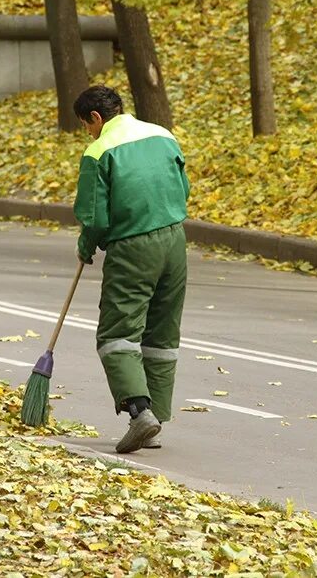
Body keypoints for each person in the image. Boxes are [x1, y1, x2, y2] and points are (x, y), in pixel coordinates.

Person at [72, 85, 190, 453]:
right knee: (162, 333)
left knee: (116, 334)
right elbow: (183, 187)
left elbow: (94, 216)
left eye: (85, 126)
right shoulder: (163, 134)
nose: (88, 133)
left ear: (95, 118)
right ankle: (156, 417)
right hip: (175, 242)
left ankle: (139, 413)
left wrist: (86, 244)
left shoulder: (99, 151)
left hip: (134, 246)